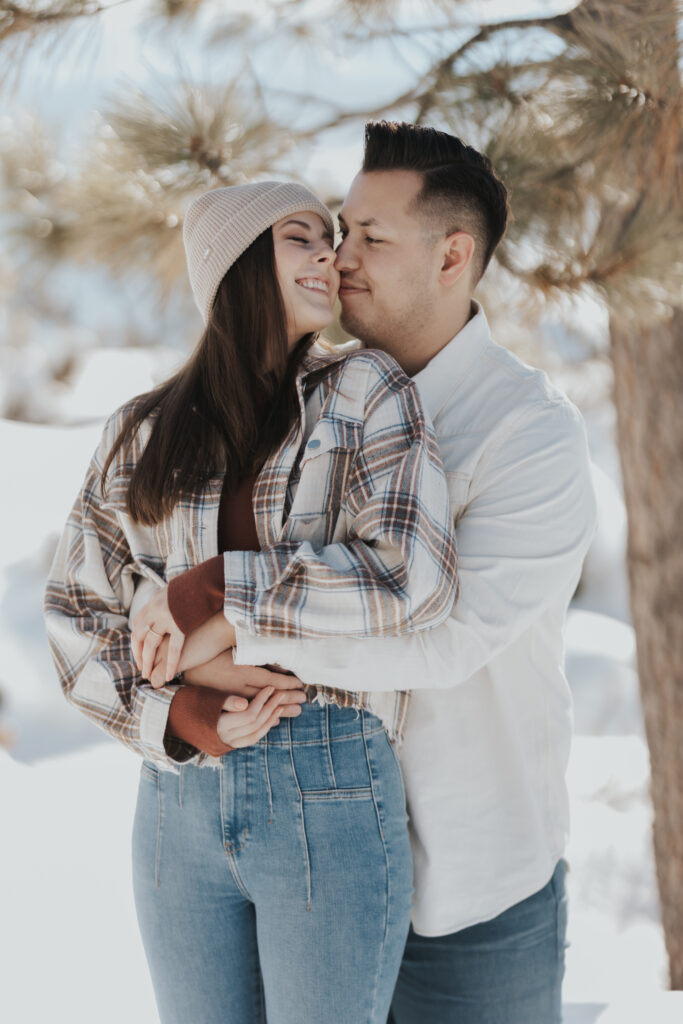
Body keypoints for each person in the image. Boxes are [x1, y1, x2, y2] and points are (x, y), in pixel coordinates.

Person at [148, 123, 597, 1024]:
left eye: (370, 238)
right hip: (308, 862)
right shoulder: (313, 402)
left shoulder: (530, 433)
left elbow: (444, 644)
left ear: (452, 255)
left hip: (468, 893)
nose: (339, 256)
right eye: (339, 230)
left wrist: (234, 621)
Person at [43, 180, 460, 1024]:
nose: (329, 256)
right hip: (176, 805)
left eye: (332, 237)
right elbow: (74, 621)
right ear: (233, 266)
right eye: (300, 238)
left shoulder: (364, 393)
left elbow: (412, 579)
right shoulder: (139, 434)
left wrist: (212, 594)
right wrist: (184, 716)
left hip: (331, 776)